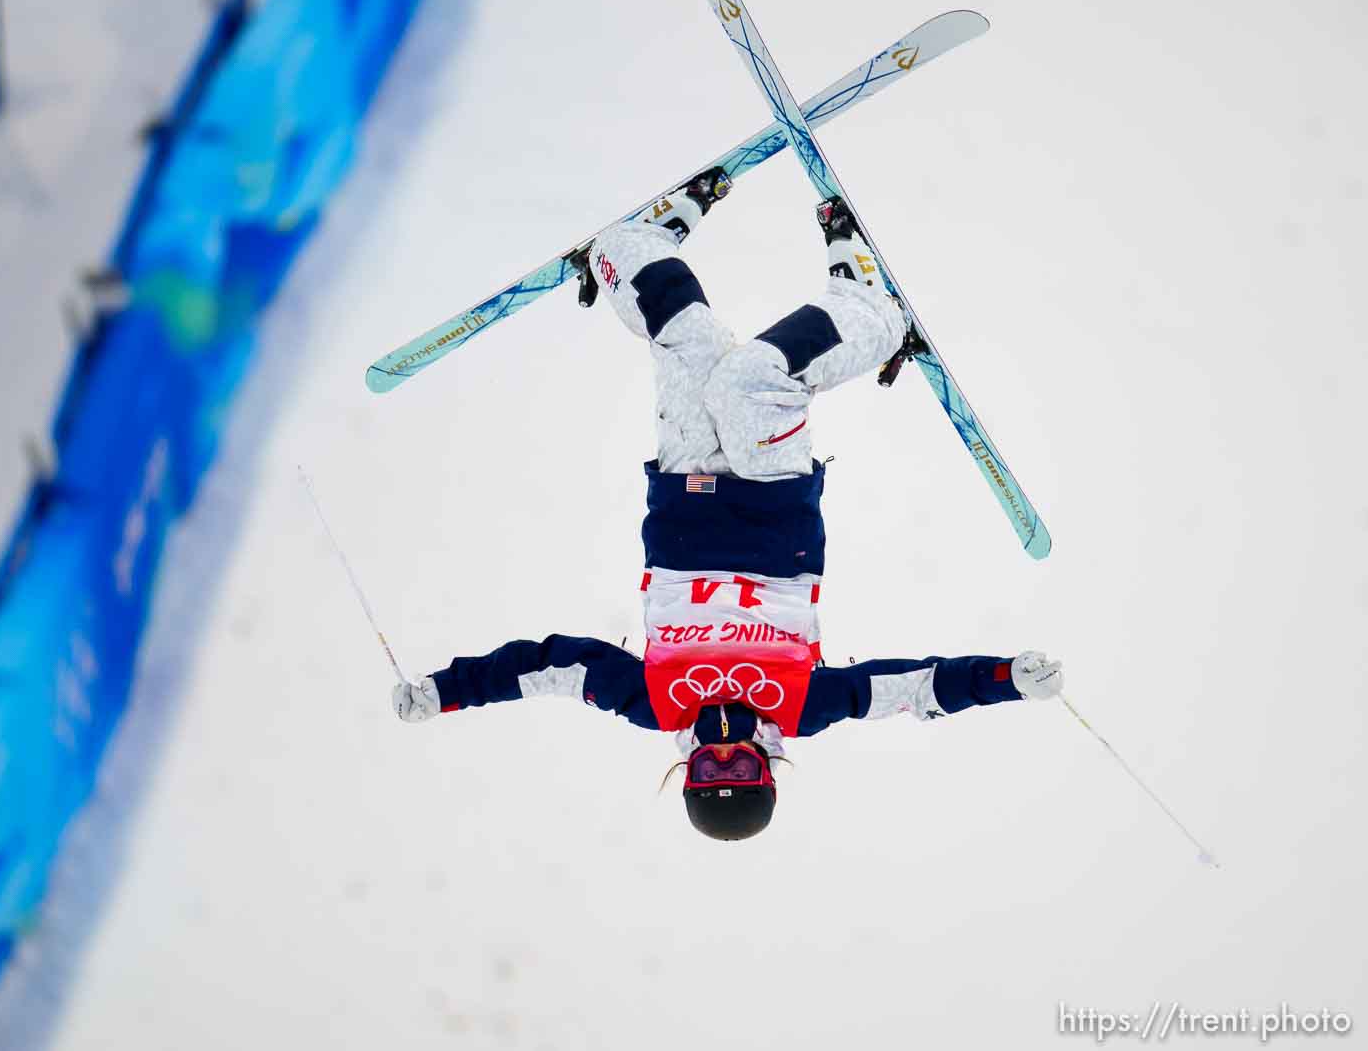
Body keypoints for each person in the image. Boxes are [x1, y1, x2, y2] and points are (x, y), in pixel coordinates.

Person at [390, 178, 1063, 841]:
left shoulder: (650, 701)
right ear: (767, 767)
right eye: (739, 764)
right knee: (754, 384)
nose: (722, 750)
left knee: (683, 337)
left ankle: (642, 246)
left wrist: (445, 692)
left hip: (684, 498)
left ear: (683, 771)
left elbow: (543, 666)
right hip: (774, 522)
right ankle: (874, 315)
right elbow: (915, 690)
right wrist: (1006, 681)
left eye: (708, 766)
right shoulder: (802, 706)